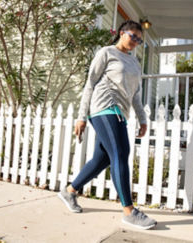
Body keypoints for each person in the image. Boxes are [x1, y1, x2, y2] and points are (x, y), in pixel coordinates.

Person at [58, 20, 157, 230]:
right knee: (121, 153)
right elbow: (90, 83)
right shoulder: (107, 52)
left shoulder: (135, 63)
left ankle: (70, 191)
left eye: (139, 40)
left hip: (120, 111)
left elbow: (136, 94)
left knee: (102, 159)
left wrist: (142, 119)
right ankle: (129, 211)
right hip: (104, 107)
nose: (136, 41)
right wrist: (81, 116)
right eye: (133, 36)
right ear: (122, 33)